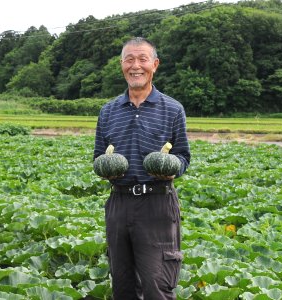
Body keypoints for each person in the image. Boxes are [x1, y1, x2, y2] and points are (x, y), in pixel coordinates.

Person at [94, 37, 191, 300]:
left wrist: (172, 169)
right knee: (122, 284)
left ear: (155, 65)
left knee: (157, 283)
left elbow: (182, 156)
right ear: (121, 65)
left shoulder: (172, 109)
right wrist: (106, 170)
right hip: (119, 201)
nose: (135, 66)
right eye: (129, 60)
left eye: (142, 59)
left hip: (157, 203)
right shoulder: (108, 111)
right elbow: (98, 156)